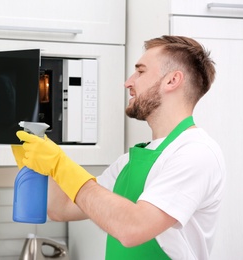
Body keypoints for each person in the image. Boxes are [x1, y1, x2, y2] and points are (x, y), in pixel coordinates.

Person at [13, 35, 226, 259]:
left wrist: (60, 164)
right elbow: (61, 207)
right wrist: (28, 147)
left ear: (172, 80)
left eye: (141, 72)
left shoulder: (196, 153)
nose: (128, 82)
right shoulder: (128, 162)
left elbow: (133, 228)